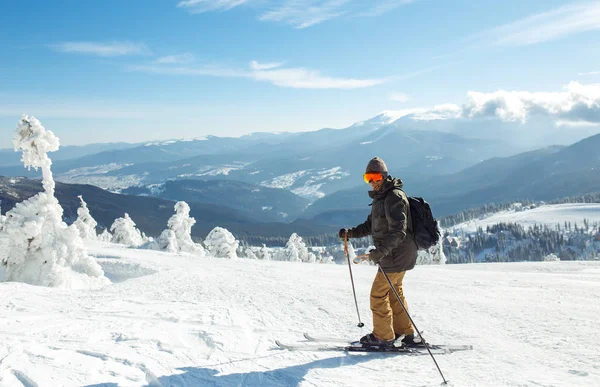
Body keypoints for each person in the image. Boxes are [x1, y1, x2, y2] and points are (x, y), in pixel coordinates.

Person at [339, 157, 418, 347]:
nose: (372, 182)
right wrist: (351, 233)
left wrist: (379, 252)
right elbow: (370, 225)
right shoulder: (381, 198)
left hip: (395, 255)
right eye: (368, 177)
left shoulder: (394, 198)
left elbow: (399, 231)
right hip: (397, 255)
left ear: (384, 176)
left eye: (375, 177)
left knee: (378, 295)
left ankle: (383, 337)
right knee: (394, 292)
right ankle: (405, 332)